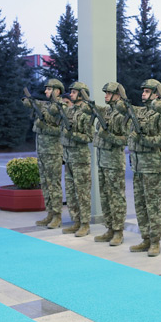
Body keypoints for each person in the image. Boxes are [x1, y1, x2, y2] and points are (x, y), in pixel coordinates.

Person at [130, 79, 161, 257]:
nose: (143, 94)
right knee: (140, 205)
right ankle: (145, 238)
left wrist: (142, 139)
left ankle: (155, 242)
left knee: (153, 207)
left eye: (147, 91)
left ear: (156, 94)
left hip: (152, 166)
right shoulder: (141, 112)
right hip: (138, 165)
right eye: (143, 91)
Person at [23, 79, 65, 229]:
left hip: (53, 152)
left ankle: (57, 216)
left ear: (57, 91)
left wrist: (44, 127)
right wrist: (27, 101)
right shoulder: (46, 105)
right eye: (45, 89)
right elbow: (31, 103)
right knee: (45, 184)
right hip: (42, 151)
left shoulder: (62, 107)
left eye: (49, 89)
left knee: (54, 184)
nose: (45, 91)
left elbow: (62, 130)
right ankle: (50, 213)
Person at [93, 82, 129, 247]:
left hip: (114, 161)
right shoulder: (107, 111)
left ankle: (118, 231)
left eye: (109, 93)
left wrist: (109, 137)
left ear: (118, 95)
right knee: (105, 196)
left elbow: (126, 139)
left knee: (116, 198)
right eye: (105, 93)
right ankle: (109, 228)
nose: (106, 96)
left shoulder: (122, 114)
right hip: (102, 160)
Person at [59, 82, 93, 237]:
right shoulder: (69, 110)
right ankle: (76, 222)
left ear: (81, 94)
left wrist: (73, 134)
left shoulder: (87, 112)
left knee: (82, 193)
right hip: (68, 157)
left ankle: (85, 224)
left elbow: (89, 137)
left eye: (73, 92)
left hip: (80, 158)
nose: (71, 94)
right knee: (71, 193)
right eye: (71, 92)